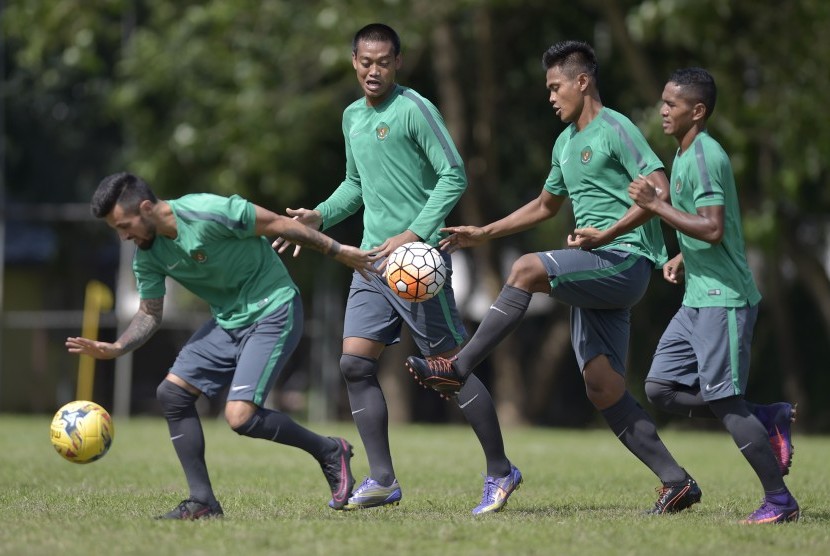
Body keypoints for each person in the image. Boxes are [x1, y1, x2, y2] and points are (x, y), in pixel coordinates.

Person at [407, 40, 702, 514]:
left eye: (555, 86)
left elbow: (659, 190)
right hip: (599, 266)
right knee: (602, 387)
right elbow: (546, 206)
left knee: (525, 269)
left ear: (582, 82)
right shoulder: (564, 143)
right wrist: (484, 231)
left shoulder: (616, 128)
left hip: (625, 261)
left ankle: (457, 366)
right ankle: (677, 482)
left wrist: (606, 234)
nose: (550, 96)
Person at [273, 23, 521, 514]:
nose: (373, 70)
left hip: (417, 263)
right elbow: (354, 186)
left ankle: (500, 470)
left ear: (398, 62)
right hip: (369, 262)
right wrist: (319, 215)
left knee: (450, 369)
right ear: (353, 61)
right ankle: (383, 478)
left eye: (383, 61)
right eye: (365, 61)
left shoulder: (415, 109)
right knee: (354, 364)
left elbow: (454, 175)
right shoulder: (351, 117)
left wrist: (414, 234)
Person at [66, 172, 379, 519]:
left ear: (146, 208)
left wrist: (339, 251)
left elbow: (276, 223)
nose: (124, 236)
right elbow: (150, 313)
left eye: (124, 225)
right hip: (227, 321)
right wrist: (117, 347)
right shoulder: (148, 256)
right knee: (172, 394)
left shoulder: (207, 212)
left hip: (273, 307)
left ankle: (329, 450)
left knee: (240, 416)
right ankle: (203, 501)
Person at [628, 68, 799, 523]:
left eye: (672, 104)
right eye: (663, 101)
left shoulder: (705, 156)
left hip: (724, 299)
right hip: (698, 297)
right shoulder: (682, 154)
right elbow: (706, 227)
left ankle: (780, 502)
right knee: (660, 388)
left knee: (722, 399)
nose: (663, 110)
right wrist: (683, 257)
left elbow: (714, 226)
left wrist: (655, 206)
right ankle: (766, 415)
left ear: (697, 111)